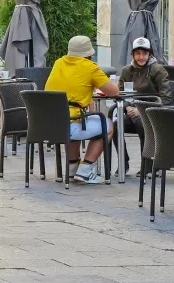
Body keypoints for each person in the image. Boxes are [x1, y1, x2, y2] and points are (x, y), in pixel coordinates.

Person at [45, 35, 119, 184]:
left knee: (76, 118)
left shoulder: (58, 63)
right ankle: (85, 170)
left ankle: (72, 168)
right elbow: (114, 92)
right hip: (69, 126)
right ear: (89, 53)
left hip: (48, 125)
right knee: (108, 126)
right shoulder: (90, 67)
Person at [115, 37, 173, 177]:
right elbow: (120, 94)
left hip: (154, 114)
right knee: (115, 125)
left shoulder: (158, 70)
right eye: (138, 53)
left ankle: (148, 164)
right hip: (132, 112)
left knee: (142, 125)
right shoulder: (126, 71)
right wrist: (127, 107)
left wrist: (141, 110)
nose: (141, 57)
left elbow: (166, 97)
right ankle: (123, 162)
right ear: (132, 55)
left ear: (150, 54)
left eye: (144, 54)